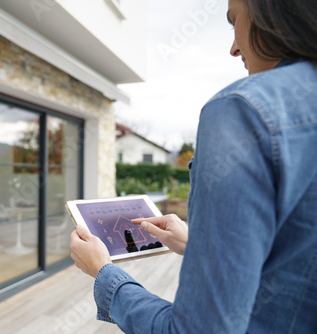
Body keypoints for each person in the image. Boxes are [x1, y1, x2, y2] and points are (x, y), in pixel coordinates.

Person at [70, 0, 317, 332]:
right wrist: (197, 244)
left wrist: (104, 273)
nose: (233, 47)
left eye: (233, 21)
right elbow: (295, 254)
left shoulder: (245, 111)